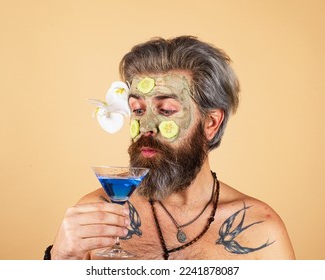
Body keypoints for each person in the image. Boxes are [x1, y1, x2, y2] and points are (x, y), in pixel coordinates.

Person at [47, 36, 295, 260]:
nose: (147, 126)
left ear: (211, 123)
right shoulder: (94, 217)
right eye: (138, 110)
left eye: (166, 110)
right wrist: (59, 257)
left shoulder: (260, 229)